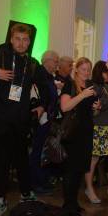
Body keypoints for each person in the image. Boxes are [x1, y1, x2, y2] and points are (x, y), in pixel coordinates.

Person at [0, 24, 47, 216]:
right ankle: (0, 200)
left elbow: (46, 86)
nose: (21, 43)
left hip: (22, 120)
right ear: (12, 39)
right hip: (1, 118)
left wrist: (42, 106)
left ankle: (26, 194)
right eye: (18, 39)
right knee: (2, 160)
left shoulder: (33, 63)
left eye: (25, 40)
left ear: (29, 42)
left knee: (22, 158)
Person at [59, 57, 99, 216]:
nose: (87, 72)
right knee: (71, 170)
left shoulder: (89, 86)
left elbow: (89, 111)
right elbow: (65, 107)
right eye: (83, 69)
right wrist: (83, 95)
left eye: (89, 69)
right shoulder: (70, 84)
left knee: (79, 170)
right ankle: (68, 205)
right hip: (73, 133)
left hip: (86, 131)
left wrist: (96, 107)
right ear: (76, 70)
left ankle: (74, 203)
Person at [83, 60, 108, 204]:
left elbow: (103, 105)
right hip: (97, 128)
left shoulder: (105, 86)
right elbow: (97, 107)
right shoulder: (94, 87)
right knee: (93, 160)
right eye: (107, 71)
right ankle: (89, 188)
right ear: (101, 72)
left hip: (106, 128)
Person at [29, 50, 60, 195]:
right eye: (55, 61)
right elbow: (43, 96)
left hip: (47, 119)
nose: (57, 64)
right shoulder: (39, 74)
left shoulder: (48, 76)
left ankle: (42, 180)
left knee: (44, 151)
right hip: (40, 119)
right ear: (46, 61)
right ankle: (35, 183)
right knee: (38, 151)